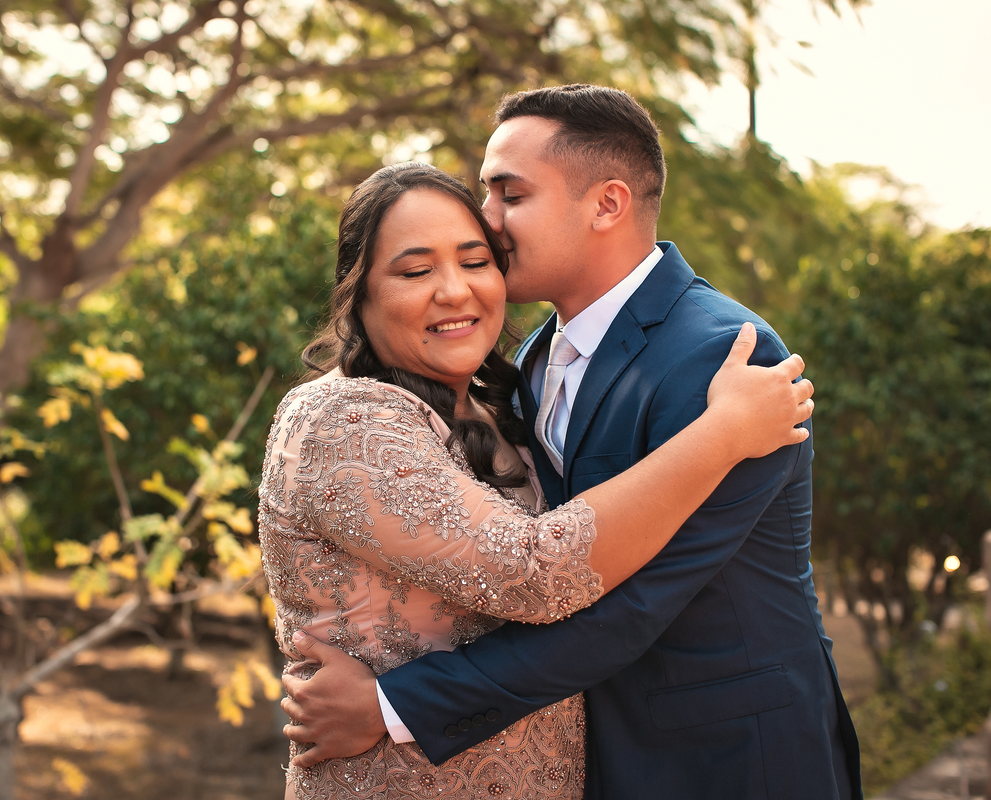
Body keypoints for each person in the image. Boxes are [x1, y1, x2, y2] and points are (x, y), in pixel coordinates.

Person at [278, 86, 862, 800]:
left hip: (726, 758)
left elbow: (635, 602)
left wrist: (395, 706)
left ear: (606, 204)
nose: (488, 222)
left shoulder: (726, 362)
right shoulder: (526, 360)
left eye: (508, 195)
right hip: (583, 756)